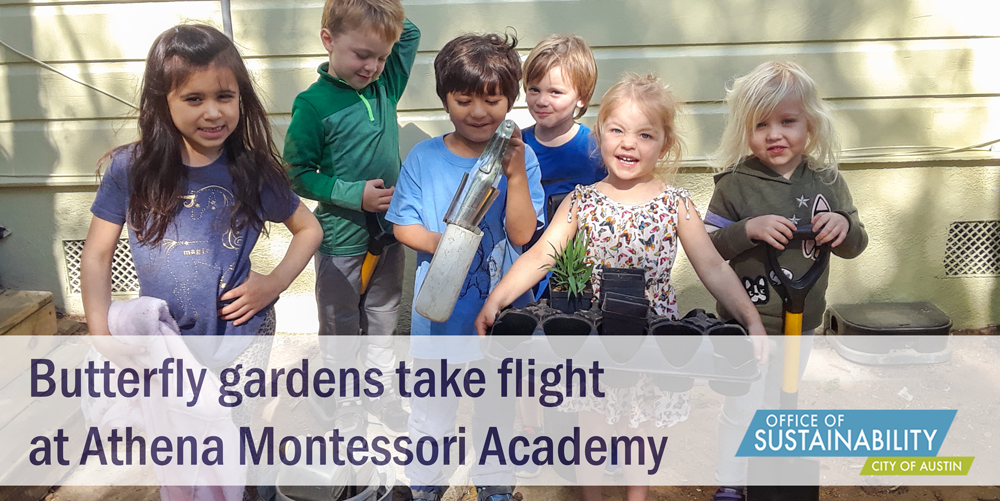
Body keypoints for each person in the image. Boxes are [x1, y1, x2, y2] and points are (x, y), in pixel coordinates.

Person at [475, 72, 769, 501]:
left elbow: (714, 268)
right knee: (593, 425)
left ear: (664, 144)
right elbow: (540, 256)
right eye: (617, 130)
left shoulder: (676, 203)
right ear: (600, 136)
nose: (628, 143)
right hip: (596, 334)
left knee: (639, 428)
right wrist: (496, 298)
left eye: (644, 134)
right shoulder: (583, 199)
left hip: (652, 338)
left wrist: (751, 320)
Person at [80, 23, 323, 500]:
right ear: (161, 102)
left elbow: (308, 229)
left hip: (241, 336)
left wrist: (273, 283)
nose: (213, 112)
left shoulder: (252, 168)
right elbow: (97, 252)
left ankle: (255, 492)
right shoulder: (131, 168)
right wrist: (98, 333)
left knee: (237, 429)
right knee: (181, 436)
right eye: (193, 99)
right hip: (169, 344)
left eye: (225, 96)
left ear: (241, 98)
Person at [386, 32, 545, 501]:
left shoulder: (522, 157)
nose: (479, 112)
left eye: (493, 100)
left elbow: (521, 234)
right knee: (432, 408)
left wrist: (515, 174)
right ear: (445, 99)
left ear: (510, 100)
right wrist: (443, 242)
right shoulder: (425, 158)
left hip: (498, 318)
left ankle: (495, 487)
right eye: (464, 99)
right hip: (439, 315)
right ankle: (425, 486)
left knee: (496, 407)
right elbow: (402, 224)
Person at [705, 61, 869, 501]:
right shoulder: (735, 185)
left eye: (787, 121)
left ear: (810, 125)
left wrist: (842, 226)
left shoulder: (828, 182)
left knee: (784, 403)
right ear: (745, 129)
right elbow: (708, 247)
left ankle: (773, 479)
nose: (774, 134)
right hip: (746, 322)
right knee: (743, 407)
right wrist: (747, 230)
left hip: (803, 321)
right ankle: (732, 480)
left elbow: (856, 243)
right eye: (761, 124)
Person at [282, 0, 420, 435]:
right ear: (328, 40)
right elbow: (296, 173)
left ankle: (379, 388)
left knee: (383, 313)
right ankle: (344, 398)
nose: (373, 67)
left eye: (381, 57)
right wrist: (351, 194)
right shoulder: (313, 104)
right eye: (362, 55)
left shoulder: (386, 85)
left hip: (388, 231)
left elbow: (409, 35)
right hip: (341, 236)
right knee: (340, 322)